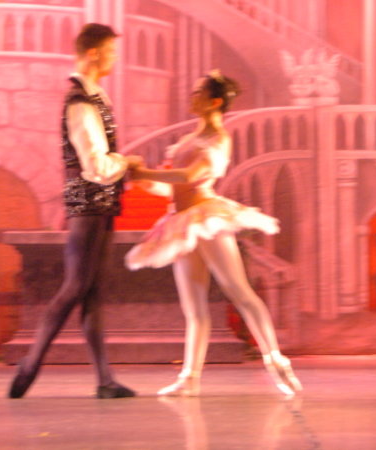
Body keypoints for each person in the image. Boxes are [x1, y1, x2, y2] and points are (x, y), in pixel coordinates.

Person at [125, 71, 302, 397]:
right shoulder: (188, 141)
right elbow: (172, 188)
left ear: (215, 101)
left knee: (239, 291)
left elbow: (189, 176)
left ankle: (276, 360)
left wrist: (143, 171)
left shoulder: (218, 139)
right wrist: (141, 180)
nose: (192, 96)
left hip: (206, 219)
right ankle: (189, 378)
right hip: (182, 222)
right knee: (194, 308)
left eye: (198, 93)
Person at [9, 23, 141, 399]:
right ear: (94, 53)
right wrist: (127, 163)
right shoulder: (81, 102)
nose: (114, 58)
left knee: (91, 291)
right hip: (88, 201)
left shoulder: (94, 97)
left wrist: (122, 167)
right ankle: (31, 363)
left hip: (100, 202)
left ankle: (104, 380)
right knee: (75, 287)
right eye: (111, 51)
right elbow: (95, 164)